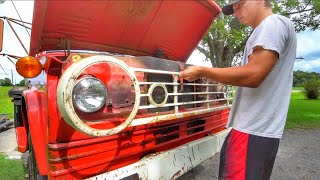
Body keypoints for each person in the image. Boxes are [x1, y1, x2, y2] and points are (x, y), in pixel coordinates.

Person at [179, 0, 297, 179]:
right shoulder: (269, 28)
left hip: (252, 129)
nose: (235, 13)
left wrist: (203, 71)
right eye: (232, 8)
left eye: (239, 4)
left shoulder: (272, 24)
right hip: (257, 130)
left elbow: (253, 74)